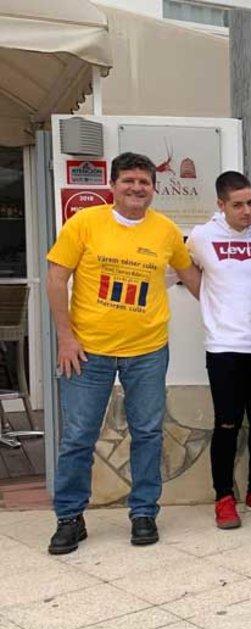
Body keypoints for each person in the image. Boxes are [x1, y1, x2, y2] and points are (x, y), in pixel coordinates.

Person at [46, 152, 201, 555]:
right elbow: (55, 278)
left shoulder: (166, 231)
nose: (136, 188)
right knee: (78, 436)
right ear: (112, 186)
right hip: (87, 351)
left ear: (154, 187)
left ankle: (144, 512)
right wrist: (66, 337)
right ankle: (69, 517)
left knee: (148, 432)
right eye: (128, 180)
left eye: (144, 182)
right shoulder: (84, 223)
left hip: (147, 350)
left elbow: (194, 279)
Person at [186, 170, 251, 529]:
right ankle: (223, 496)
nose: (246, 211)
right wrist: (210, 302)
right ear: (221, 205)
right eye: (238, 205)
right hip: (224, 347)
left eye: (250, 203)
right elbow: (182, 268)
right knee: (226, 424)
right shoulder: (201, 237)